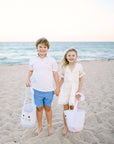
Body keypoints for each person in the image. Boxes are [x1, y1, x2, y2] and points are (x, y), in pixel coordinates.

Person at [26, 37, 60, 136]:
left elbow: (55, 74)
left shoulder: (52, 60)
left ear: (47, 48)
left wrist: (57, 88)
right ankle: (40, 126)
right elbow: (30, 71)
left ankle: (49, 126)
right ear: (37, 48)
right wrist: (27, 79)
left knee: (48, 108)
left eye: (44, 47)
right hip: (37, 89)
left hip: (49, 90)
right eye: (40, 47)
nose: (42, 49)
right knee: (39, 109)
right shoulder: (33, 60)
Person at [58, 47, 85, 136]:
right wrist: (57, 88)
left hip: (74, 90)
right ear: (66, 57)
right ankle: (66, 127)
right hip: (65, 89)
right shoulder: (64, 66)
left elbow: (81, 80)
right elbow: (61, 79)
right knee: (66, 109)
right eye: (69, 55)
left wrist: (79, 92)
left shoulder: (79, 66)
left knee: (73, 109)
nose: (71, 57)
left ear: (76, 56)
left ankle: (72, 124)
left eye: (73, 55)